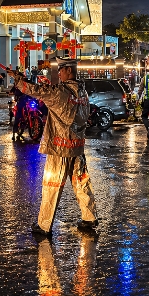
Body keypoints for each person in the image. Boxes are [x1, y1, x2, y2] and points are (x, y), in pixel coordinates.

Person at [13, 57, 98, 238]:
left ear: (68, 71)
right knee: (81, 182)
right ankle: (90, 217)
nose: (58, 73)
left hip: (60, 147)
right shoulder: (82, 93)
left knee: (51, 185)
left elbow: (37, 91)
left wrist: (20, 81)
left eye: (60, 70)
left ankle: (44, 225)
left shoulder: (60, 92)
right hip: (77, 147)